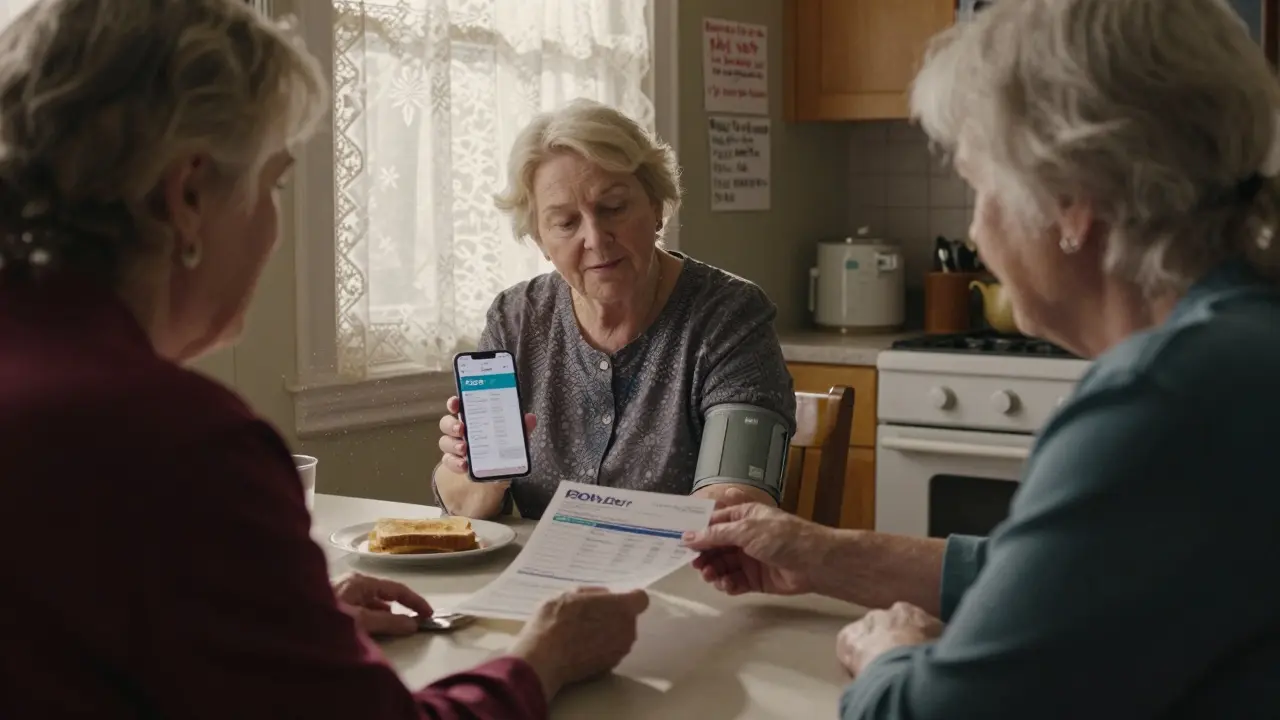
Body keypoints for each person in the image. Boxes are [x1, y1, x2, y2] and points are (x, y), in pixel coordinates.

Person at [0, 2, 647, 718]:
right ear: (187, 196)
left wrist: (284, 621)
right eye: (274, 182)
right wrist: (542, 657)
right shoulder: (182, 448)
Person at [684, 0, 1280, 717]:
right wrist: (824, 552)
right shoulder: (1238, 343)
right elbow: (1060, 575)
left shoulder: (1162, 400)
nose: (974, 228)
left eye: (980, 186)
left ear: (1070, 202)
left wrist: (889, 658)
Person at [432, 99, 795, 520]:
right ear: (540, 241)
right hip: (540, 579)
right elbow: (462, 507)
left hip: (680, 575)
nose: (595, 239)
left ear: (657, 206)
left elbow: (735, 503)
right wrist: (477, 471)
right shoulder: (516, 318)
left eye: (613, 208)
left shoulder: (728, 316)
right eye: (566, 223)